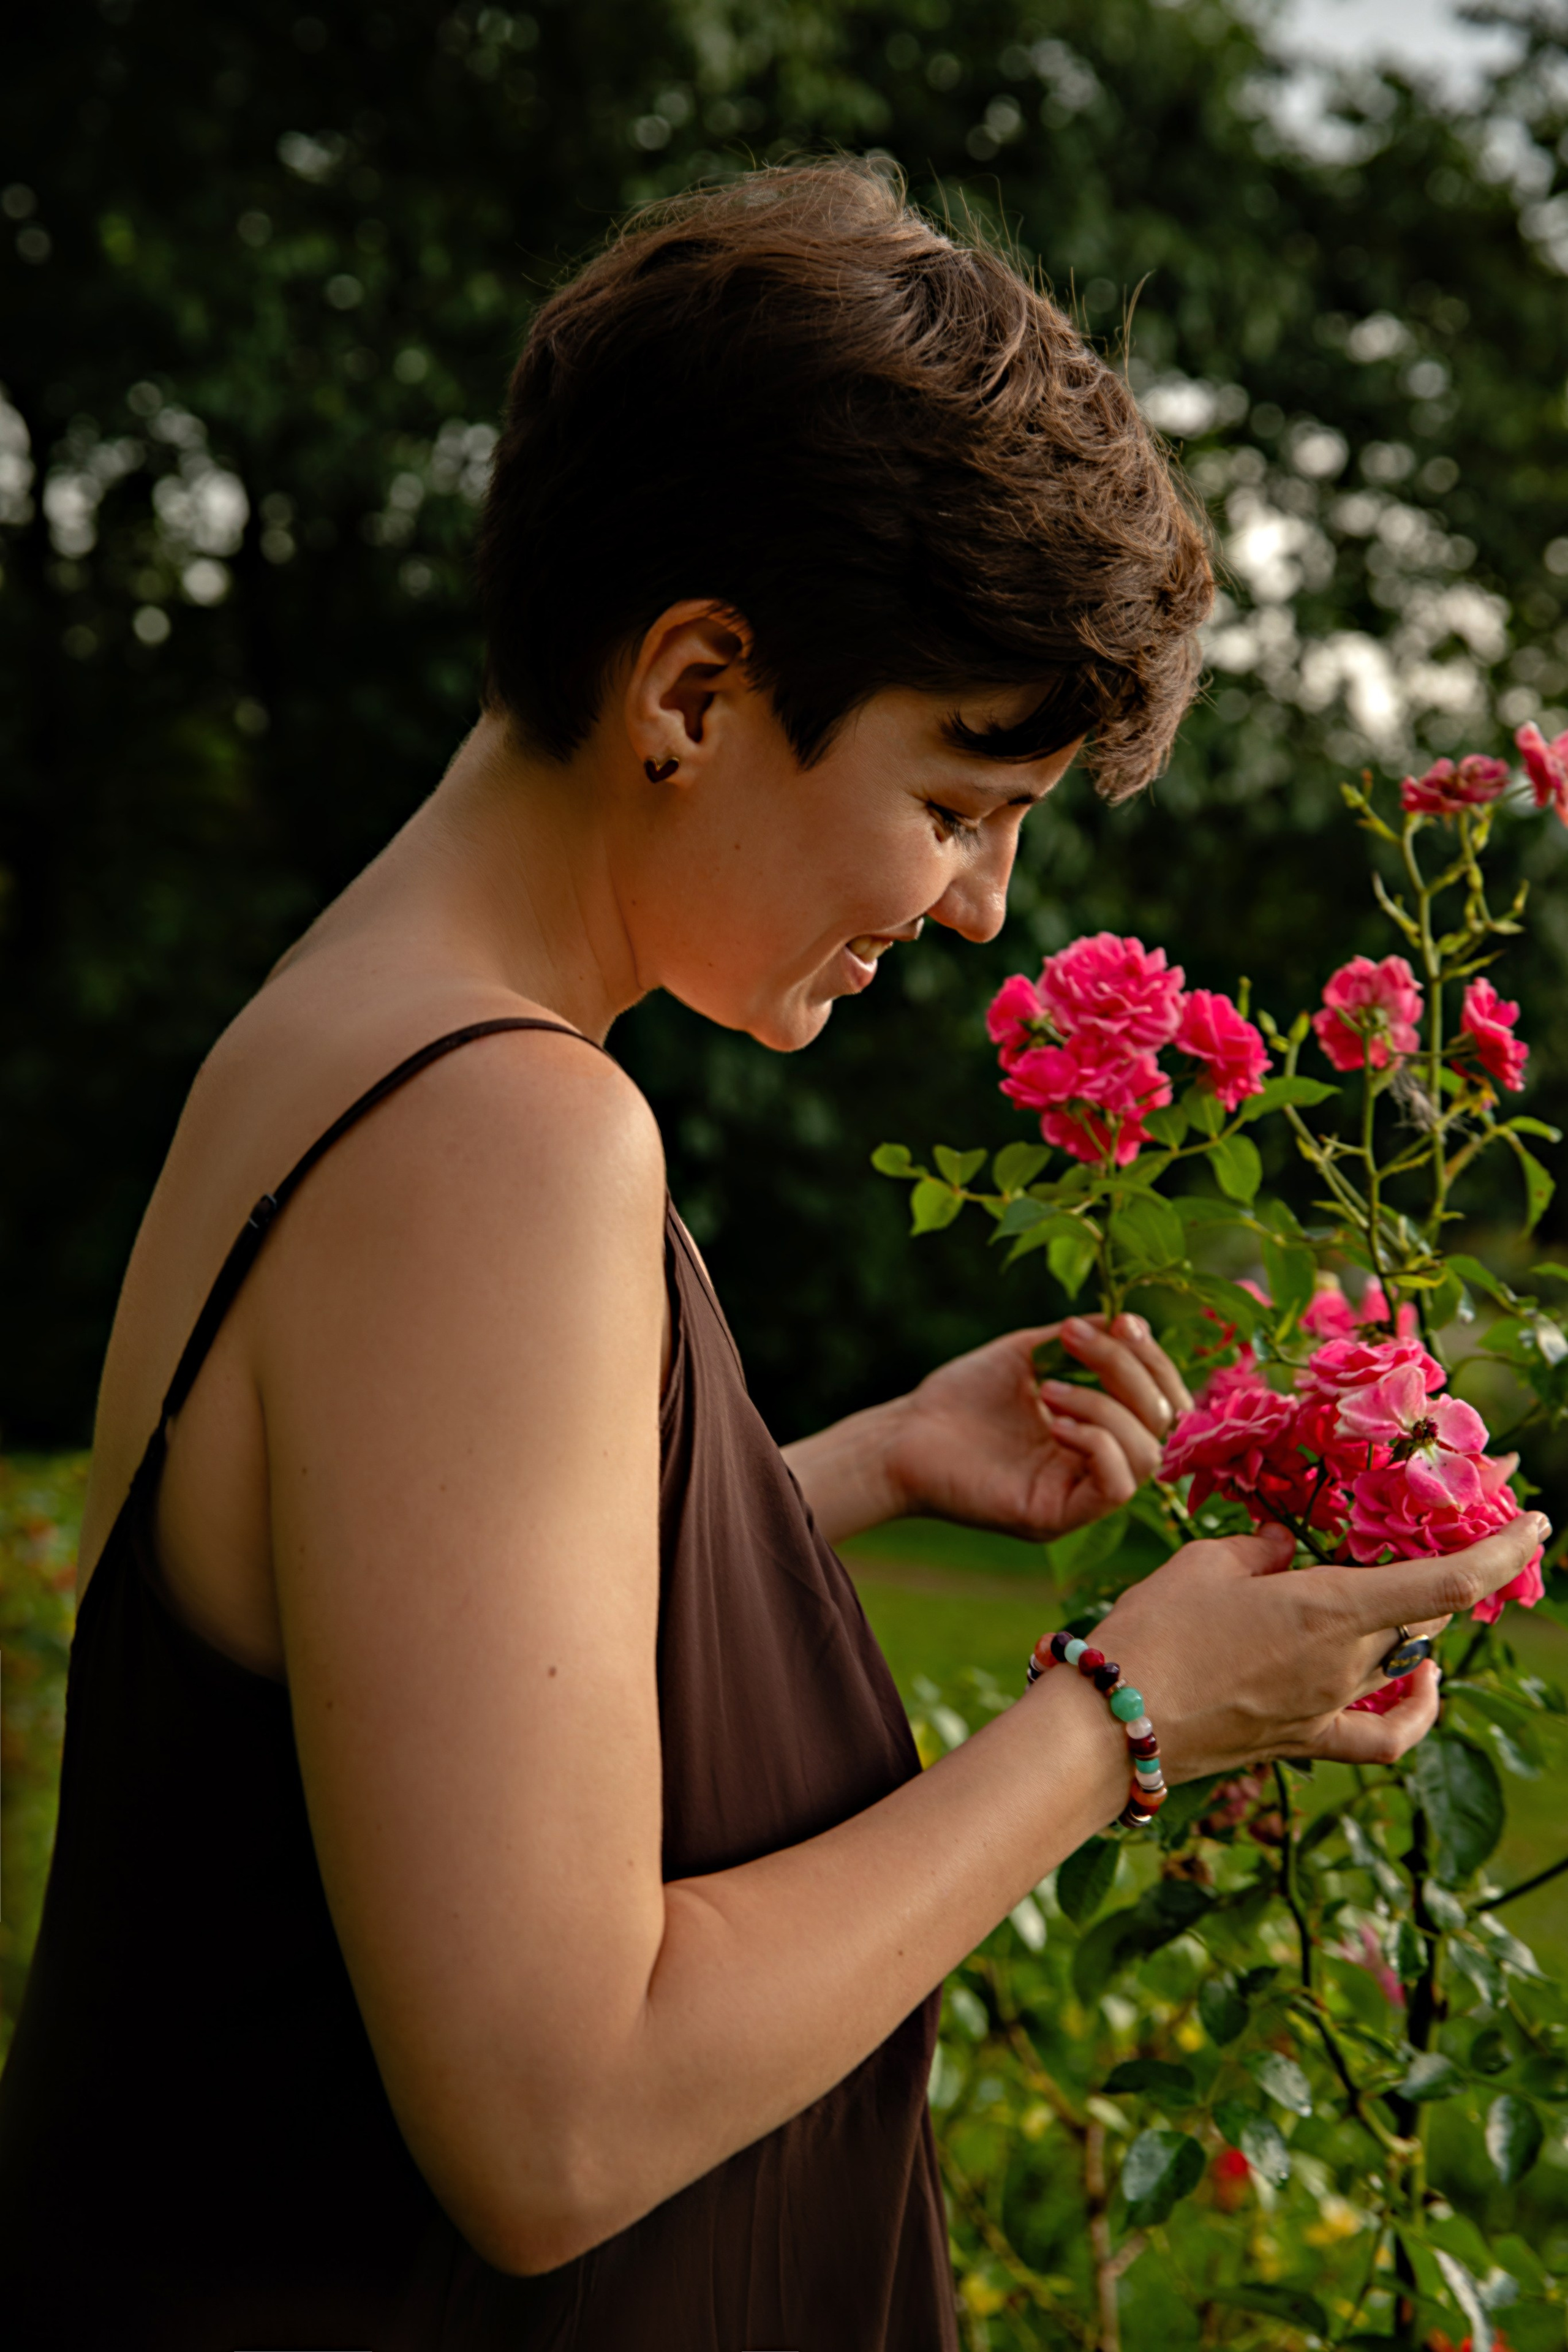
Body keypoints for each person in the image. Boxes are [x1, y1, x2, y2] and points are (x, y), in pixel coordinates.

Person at [0, 160, 1543, 2351]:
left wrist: (842, 1466)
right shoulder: (508, 1136)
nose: (986, 904)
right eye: (958, 798)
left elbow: (379, 1658)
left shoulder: (343, 1030)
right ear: (700, 687)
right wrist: (1131, 1716)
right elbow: (554, 2120)